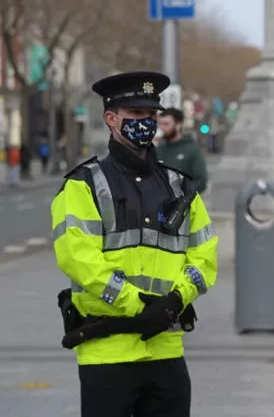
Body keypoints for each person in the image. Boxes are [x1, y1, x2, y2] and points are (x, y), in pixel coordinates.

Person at [50, 71, 219, 417]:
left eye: (151, 115)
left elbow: (205, 256)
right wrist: (137, 304)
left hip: (166, 352)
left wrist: (176, 300)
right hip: (106, 353)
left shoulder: (182, 188)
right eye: (136, 115)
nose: (146, 122)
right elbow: (78, 258)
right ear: (111, 119)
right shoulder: (82, 186)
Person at [156, 107, 208, 193]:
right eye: (160, 124)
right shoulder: (158, 150)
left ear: (178, 124)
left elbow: (201, 181)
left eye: (166, 124)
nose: (162, 128)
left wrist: (182, 195)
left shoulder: (191, 150)